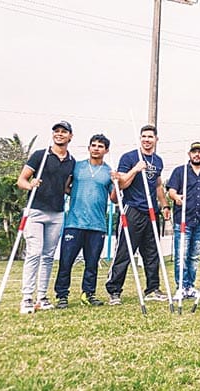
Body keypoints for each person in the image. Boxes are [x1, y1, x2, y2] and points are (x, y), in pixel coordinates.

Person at [105, 124, 171, 305]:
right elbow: (122, 184)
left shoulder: (158, 161)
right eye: (144, 136)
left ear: (156, 139)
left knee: (152, 253)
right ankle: (114, 290)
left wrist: (164, 205)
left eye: (150, 137)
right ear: (140, 138)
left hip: (151, 212)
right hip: (132, 209)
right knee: (124, 252)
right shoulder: (129, 157)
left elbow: (157, 185)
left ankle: (152, 288)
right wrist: (135, 169)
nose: (147, 140)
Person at [16, 120, 75, 313]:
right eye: (56, 131)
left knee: (48, 256)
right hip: (36, 210)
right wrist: (30, 185)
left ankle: (42, 297)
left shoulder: (71, 161)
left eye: (63, 132)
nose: (59, 134)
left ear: (70, 137)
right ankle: (27, 298)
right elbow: (21, 180)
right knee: (34, 252)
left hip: (57, 212)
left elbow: (66, 187)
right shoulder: (40, 155)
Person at [54, 134, 113, 309]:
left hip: (97, 225)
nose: (96, 148)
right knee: (66, 261)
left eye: (100, 146)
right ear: (89, 148)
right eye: (93, 145)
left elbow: (114, 198)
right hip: (74, 223)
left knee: (92, 262)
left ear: (106, 150)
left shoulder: (108, 172)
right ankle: (62, 295)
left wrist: (118, 181)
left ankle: (88, 294)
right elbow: (65, 187)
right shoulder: (77, 167)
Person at [167, 142, 200, 299]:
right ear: (189, 154)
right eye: (194, 152)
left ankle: (190, 287)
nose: (197, 155)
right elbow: (171, 191)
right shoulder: (179, 171)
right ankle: (181, 287)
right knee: (181, 255)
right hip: (183, 220)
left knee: (195, 256)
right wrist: (176, 197)